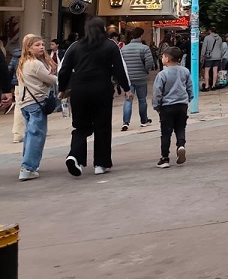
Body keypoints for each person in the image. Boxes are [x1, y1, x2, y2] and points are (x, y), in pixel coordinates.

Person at [58, 16, 131, 177]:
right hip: (102, 89)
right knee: (102, 126)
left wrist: (61, 88)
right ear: (103, 29)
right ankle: (100, 163)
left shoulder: (75, 46)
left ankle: (75, 156)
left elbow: (64, 69)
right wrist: (126, 88)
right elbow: (119, 68)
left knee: (80, 126)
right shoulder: (110, 45)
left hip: (79, 90)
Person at [16, 34, 58, 181]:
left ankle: (28, 164)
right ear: (29, 48)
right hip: (36, 102)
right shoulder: (35, 64)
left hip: (26, 103)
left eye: (42, 44)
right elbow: (52, 80)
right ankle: (28, 167)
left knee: (30, 134)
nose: (41, 47)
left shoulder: (23, 63)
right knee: (36, 135)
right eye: (37, 45)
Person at [153, 46, 194, 168]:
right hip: (182, 105)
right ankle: (181, 146)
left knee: (166, 132)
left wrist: (157, 106)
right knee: (180, 128)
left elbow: (157, 92)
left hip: (167, 106)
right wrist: (188, 98)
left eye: (163, 56)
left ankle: (165, 158)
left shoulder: (162, 74)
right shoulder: (185, 71)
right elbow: (189, 87)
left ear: (167, 59)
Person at [120, 27, 155, 131]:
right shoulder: (145, 48)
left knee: (128, 99)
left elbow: (121, 64)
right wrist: (145, 70)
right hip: (141, 78)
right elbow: (149, 63)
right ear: (141, 36)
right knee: (142, 100)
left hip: (128, 79)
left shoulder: (123, 49)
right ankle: (143, 121)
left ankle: (126, 122)